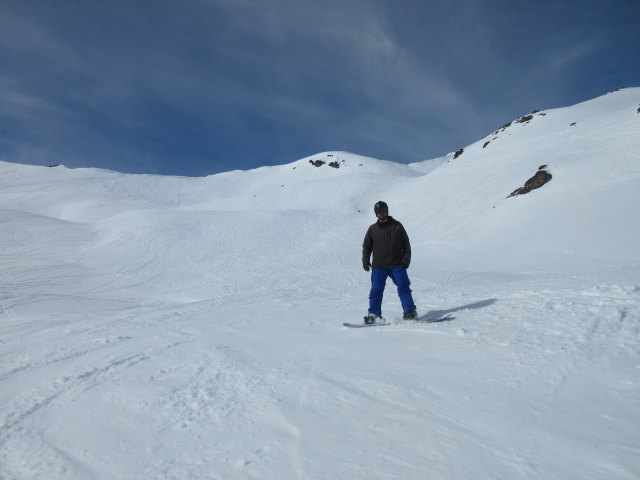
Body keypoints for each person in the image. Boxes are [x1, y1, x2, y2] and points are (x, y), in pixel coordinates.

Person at [362, 201, 417, 324]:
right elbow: (367, 246)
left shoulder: (397, 226)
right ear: (376, 214)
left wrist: (405, 262)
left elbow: (406, 245)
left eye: (383, 212)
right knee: (376, 289)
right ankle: (374, 315)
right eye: (378, 213)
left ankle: (410, 312)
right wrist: (365, 261)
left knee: (403, 286)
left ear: (387, 211)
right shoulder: (372, 229)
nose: (381, 215)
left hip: (397, 265)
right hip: (379, 266)